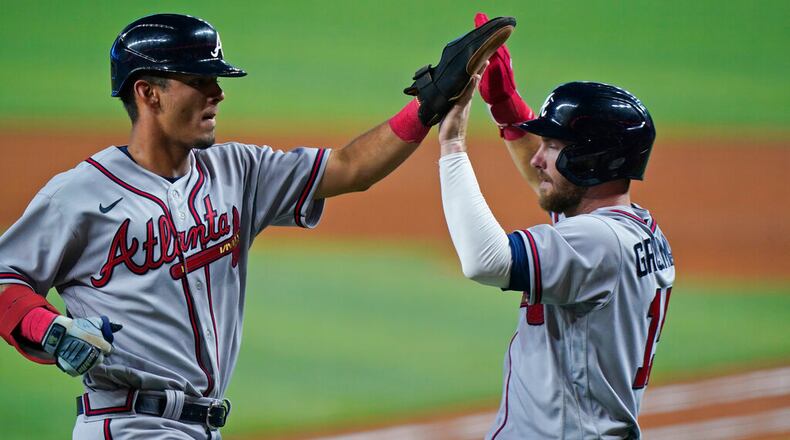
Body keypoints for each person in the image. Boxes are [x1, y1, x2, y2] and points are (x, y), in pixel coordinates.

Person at [0, 13, 514, 439]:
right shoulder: (82, 195)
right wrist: (50, 329)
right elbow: (7, 278)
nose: (217, 93)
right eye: (199, 80)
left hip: (202, 426)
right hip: (128, 423)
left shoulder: (238, 170)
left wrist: (426, 107)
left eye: (215, 80)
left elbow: (349, 167)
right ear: (148, 93)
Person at [436, 13, 676, 439]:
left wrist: (452, 142)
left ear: (590, 160)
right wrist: (507, 110)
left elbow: (484, 260)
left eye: (553, 147)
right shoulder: (635, 230)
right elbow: (553, 188)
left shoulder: (598, 242)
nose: (537, 158)